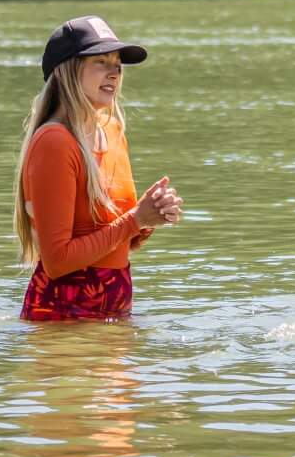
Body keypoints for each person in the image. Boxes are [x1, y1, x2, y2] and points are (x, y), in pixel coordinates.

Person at [15, 16, 182, 321]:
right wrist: (135, 220)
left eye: (118, 63)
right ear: (67, 71)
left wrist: (150, 217)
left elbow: (118, 244)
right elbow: (58, 261)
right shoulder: (55, 141)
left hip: (113, 310)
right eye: (101, 61)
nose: (115, 72)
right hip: (62, 315)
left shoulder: (113, 129)